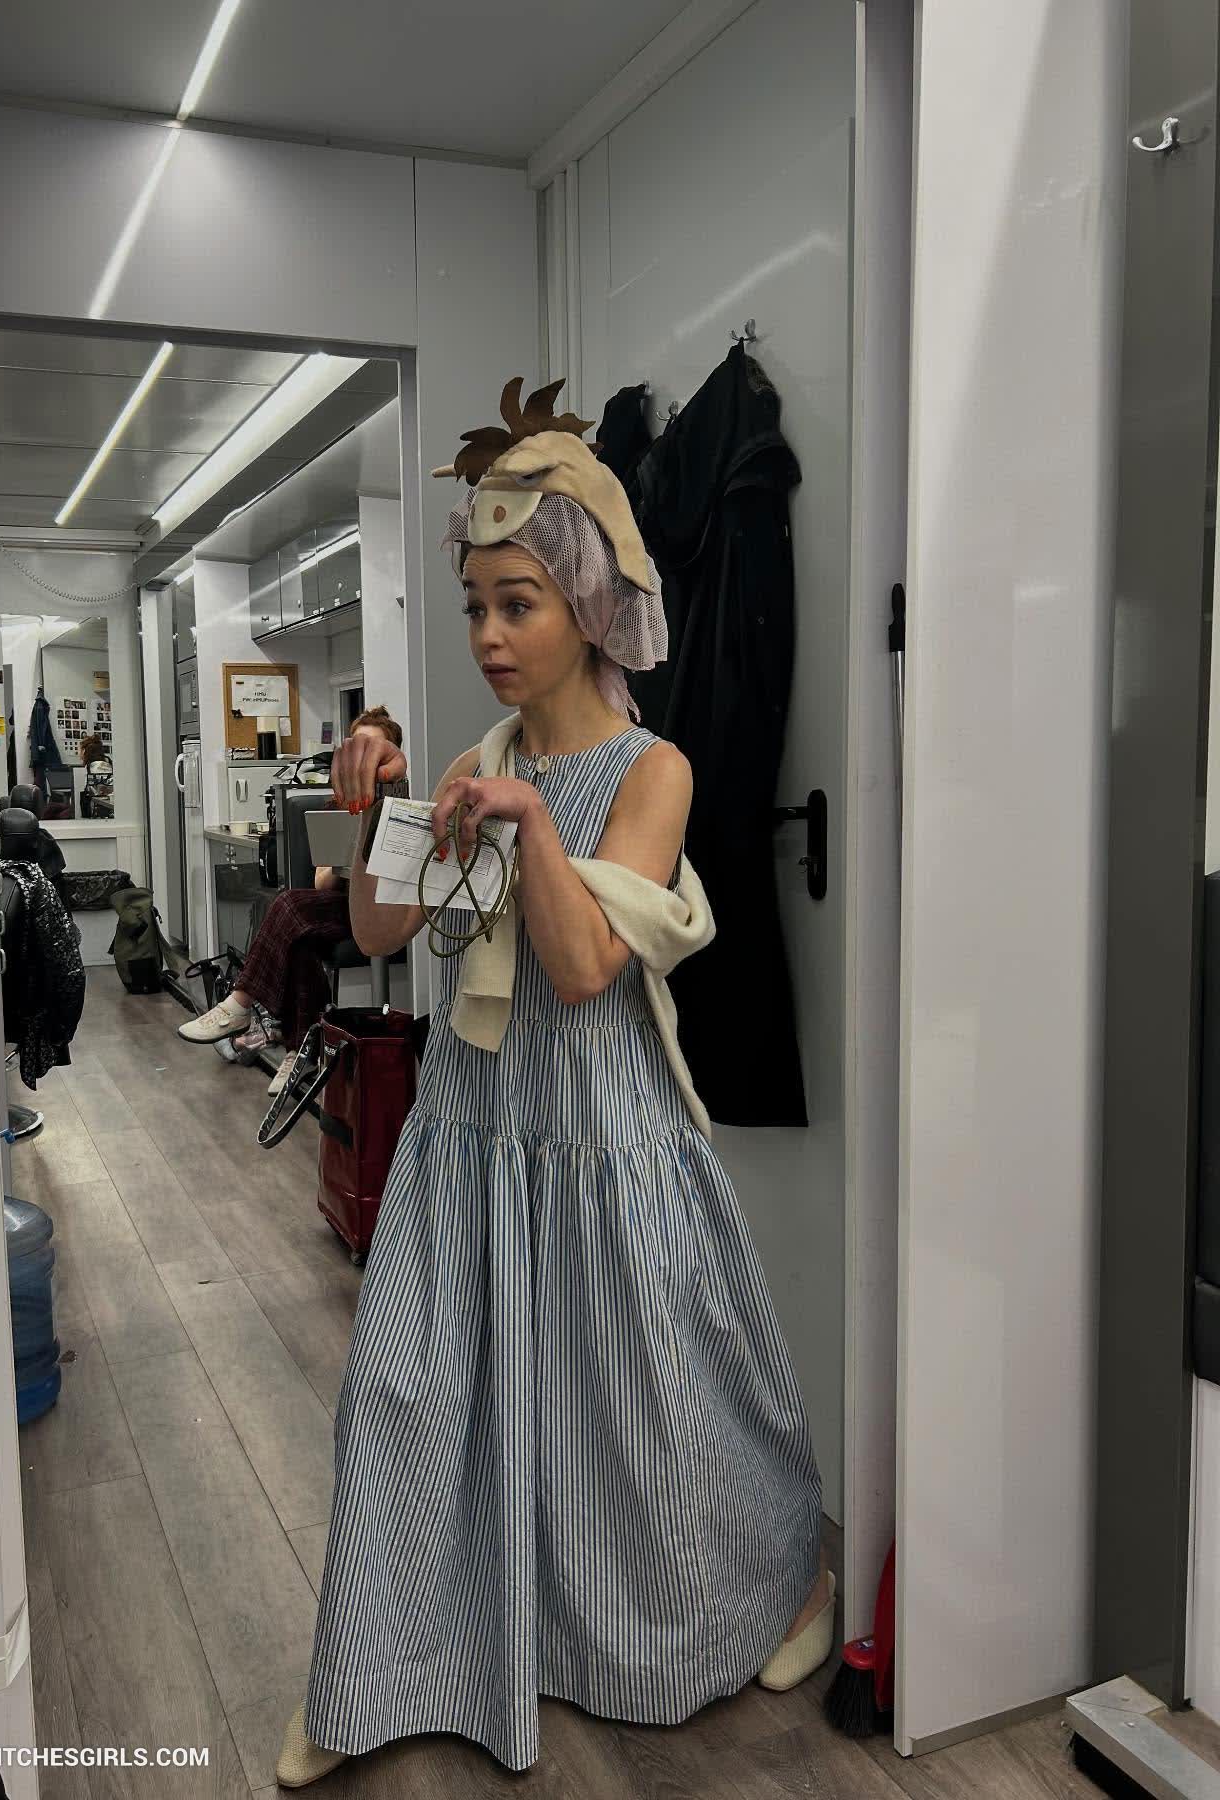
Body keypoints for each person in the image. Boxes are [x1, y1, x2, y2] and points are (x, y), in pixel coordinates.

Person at [275, 380, 830, 1789]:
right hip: (472, 1137)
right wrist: (378, 807)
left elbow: (584, 970)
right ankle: (368, 1674)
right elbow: (384, 933)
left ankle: (787, 1589)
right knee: (406, 1401)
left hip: (600, 1143)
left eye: (515, 603)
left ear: (587, 600)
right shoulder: (480, 764)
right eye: (475, 606)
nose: (487, 636)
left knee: (650, 1429)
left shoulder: (655, 773)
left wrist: (524, 821)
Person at [178, 708, 404, 1095]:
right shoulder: (338, 807)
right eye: (358, 747)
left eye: (374, 749)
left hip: (382, 908)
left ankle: (248, 1011)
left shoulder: (401, 808)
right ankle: (299, 1051)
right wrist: (347, 857)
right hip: (341, 905)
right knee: (298, 934)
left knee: (288, 909)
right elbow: (321, 883)